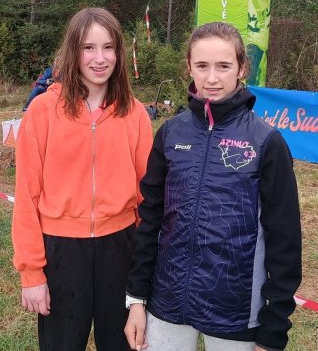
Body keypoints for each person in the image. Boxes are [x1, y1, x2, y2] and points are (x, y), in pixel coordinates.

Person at [125, 21, 302, 351]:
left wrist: (274, 328)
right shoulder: (170, 134)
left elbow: (285, 241)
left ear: (241, 68)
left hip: (236, 315)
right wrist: (136, 300)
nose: (211, 78)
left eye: (223, 66)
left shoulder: (267, 143)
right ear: (188, 67)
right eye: (202, 66)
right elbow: (150, 220)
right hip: (167, 304)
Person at [12, 7, 153, 351]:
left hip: (120, 247)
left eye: (108, 47)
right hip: (61, 250)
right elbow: (27, 196)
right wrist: (32, 274)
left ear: (119, 53)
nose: (99, 58)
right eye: (89, 48)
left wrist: (145, 274)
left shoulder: (134, 114)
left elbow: (149, 197)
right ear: (73, 51)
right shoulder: (42, 112)